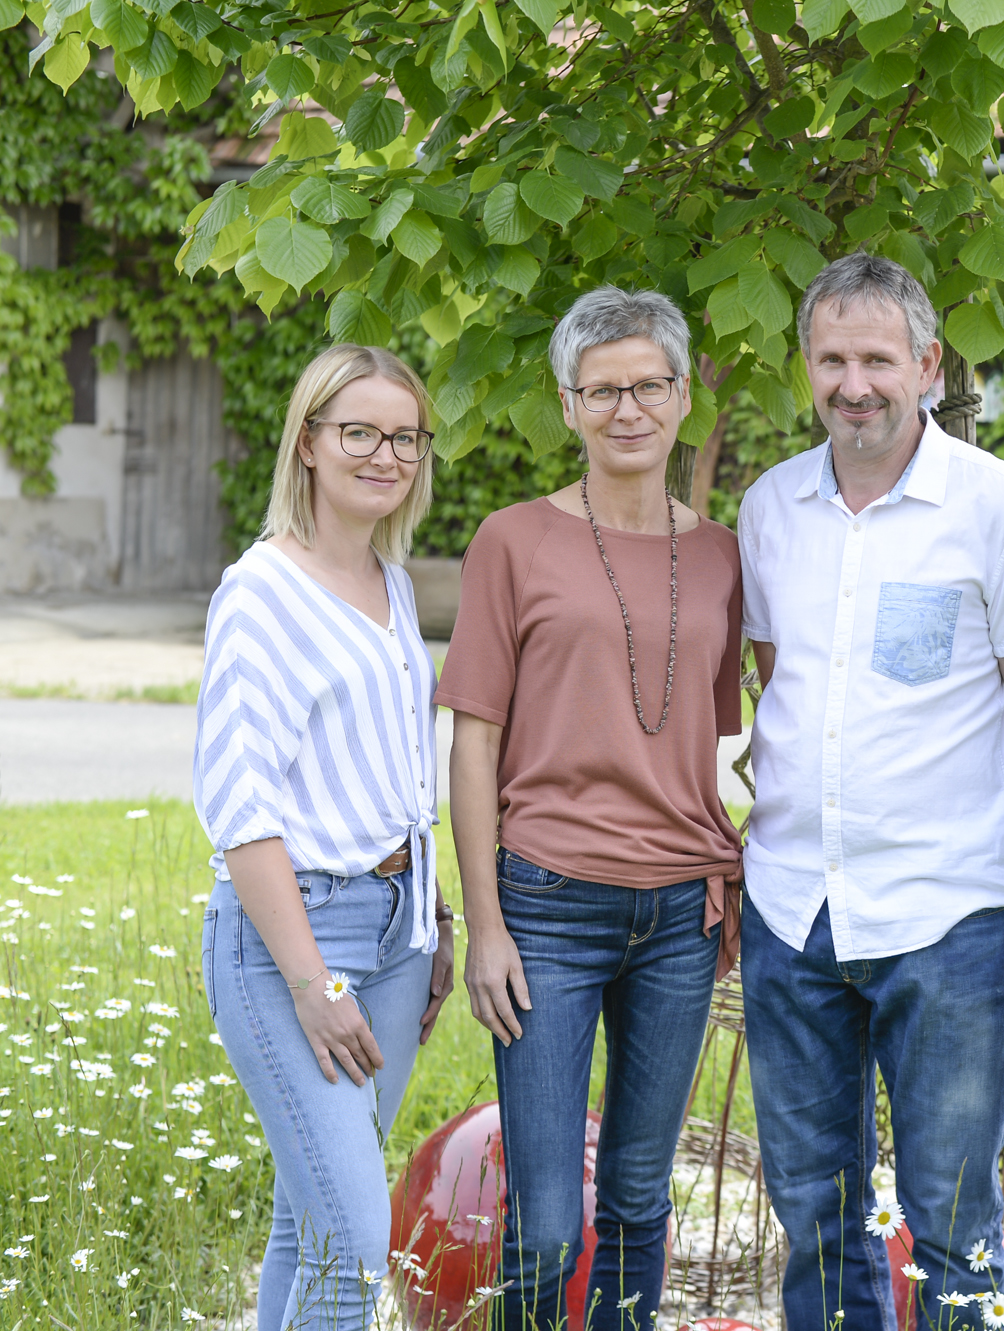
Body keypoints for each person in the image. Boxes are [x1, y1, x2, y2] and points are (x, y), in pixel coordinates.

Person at [737, 252, 1004, 1329]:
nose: (854, 384)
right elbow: (774, 689)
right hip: (792, 912)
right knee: (815, 1218)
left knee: (954, 1233)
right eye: (831, 358)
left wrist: (997, 877)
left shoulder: (999, 509)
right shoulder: (768, 508)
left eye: (878, 358)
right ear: (806, 368)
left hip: (947, 922)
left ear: (928, 364)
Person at [438, 286, 746, 1331]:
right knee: (543, 1225)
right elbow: (474, 738)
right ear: (567, 404)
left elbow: (708, 740)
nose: (628, 408)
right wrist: (485, 923)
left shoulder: (720, 554)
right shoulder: (510, 541)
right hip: (545, 907)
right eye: (602, 389)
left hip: (678, 919)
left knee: (636, 1201)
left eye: (649, 383)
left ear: (683, 393)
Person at [194, 344, 455, 1331]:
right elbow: (240, 805)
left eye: (404, 436)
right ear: (307, 441)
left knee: (310, 1226)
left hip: (396, 935)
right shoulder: (262, 590)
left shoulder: (390, 581)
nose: (384, 454)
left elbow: (389, 772)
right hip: (292, 941)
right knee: (353, 1246)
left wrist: (430, 912)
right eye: (358, 431)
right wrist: (313, 979)